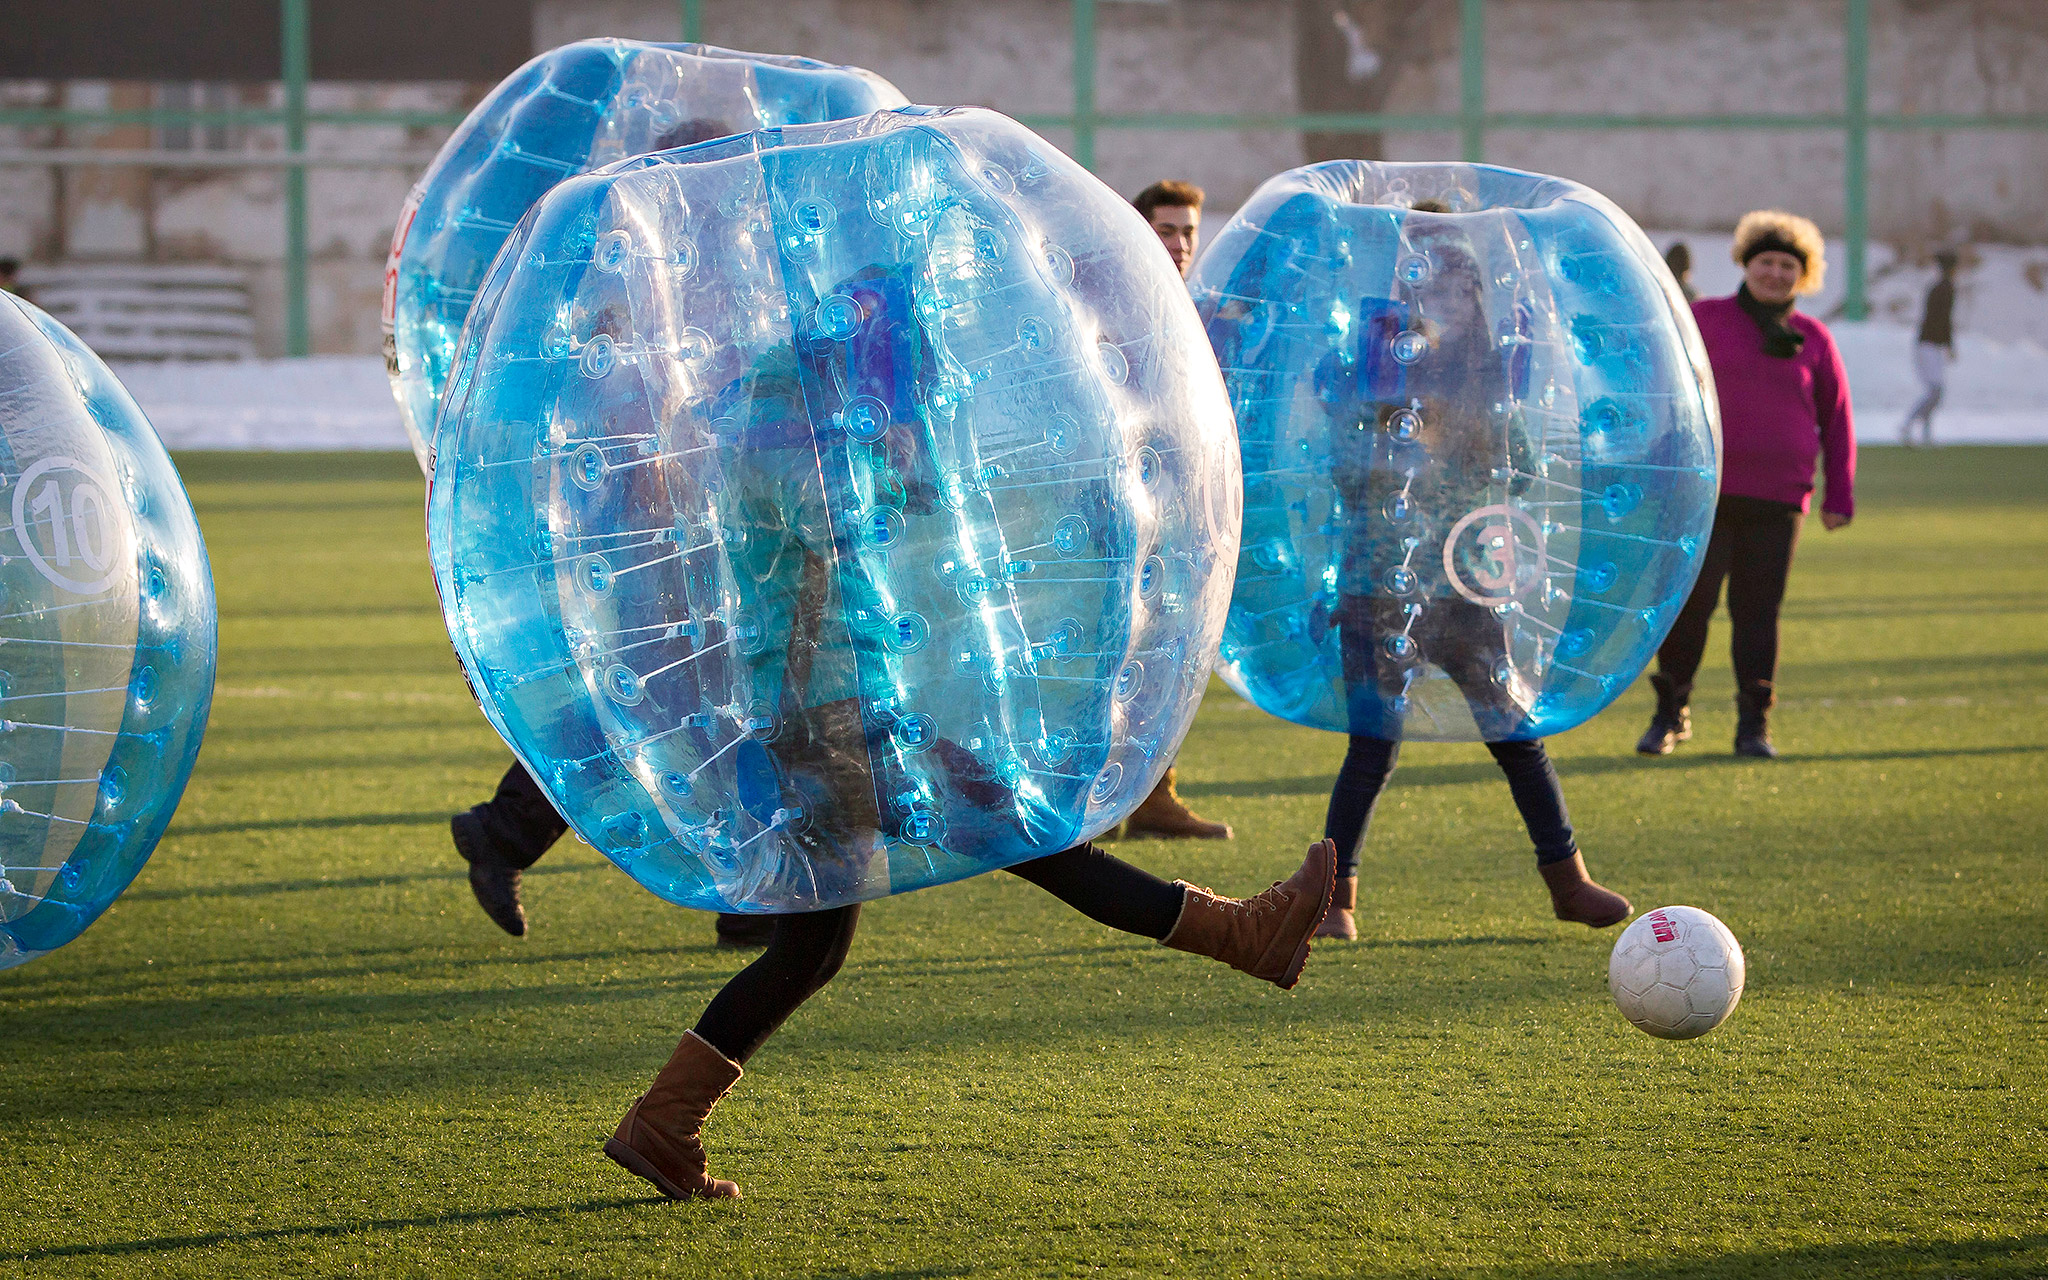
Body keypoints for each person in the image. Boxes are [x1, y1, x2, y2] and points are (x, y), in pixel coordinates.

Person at [1309, 202, 1630, 943]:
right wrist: (1366, 420)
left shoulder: (1487, 377)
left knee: (1515, 732)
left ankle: (1569, 882)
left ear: (1476, 300)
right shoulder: (1374, 370)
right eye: (1433, 292)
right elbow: (1345, 466)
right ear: (1412, 298)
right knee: (1372, 745)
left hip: (1460, 584)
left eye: (1460, 292)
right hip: (1378, 583)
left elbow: (1520, 468)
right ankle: (1336, 900)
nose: (1447, 305)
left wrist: (1497, 460)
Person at [1637, 209, 1854, 760]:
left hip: (1779, 498)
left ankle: (1753, 724)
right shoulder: (1705, 318)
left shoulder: (1815, 338)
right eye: (1766, 261)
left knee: (1758, 613)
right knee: (1691, 605)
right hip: (1704, 495)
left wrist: (1839, 493)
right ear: (1745, 264)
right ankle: (1670, 711)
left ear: (1802, 276)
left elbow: (1837, 417)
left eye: (1787, 265)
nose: (1775, 273)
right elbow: (1666, 391)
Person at [1110, 178, 1231, 841]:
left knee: (1168, 654)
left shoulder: (1195, 310)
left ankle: (1154, 796)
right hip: (1127, 509)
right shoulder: (1125, 307)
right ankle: (1100, 795)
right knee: (1115, 651)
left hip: (1186, 510)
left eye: (1188, 231)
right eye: (1166, 229)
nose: (1181, 243)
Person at [1899, 250, 1957, 447]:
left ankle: (1926, 434)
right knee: (1935, 391)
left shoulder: (1937, 288)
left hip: (1931, 343)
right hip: (1929, 344)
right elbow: (1945, 319)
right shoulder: (1945, 289)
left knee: (1934, 391)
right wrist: (1949, 344)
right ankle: (1908, 425)